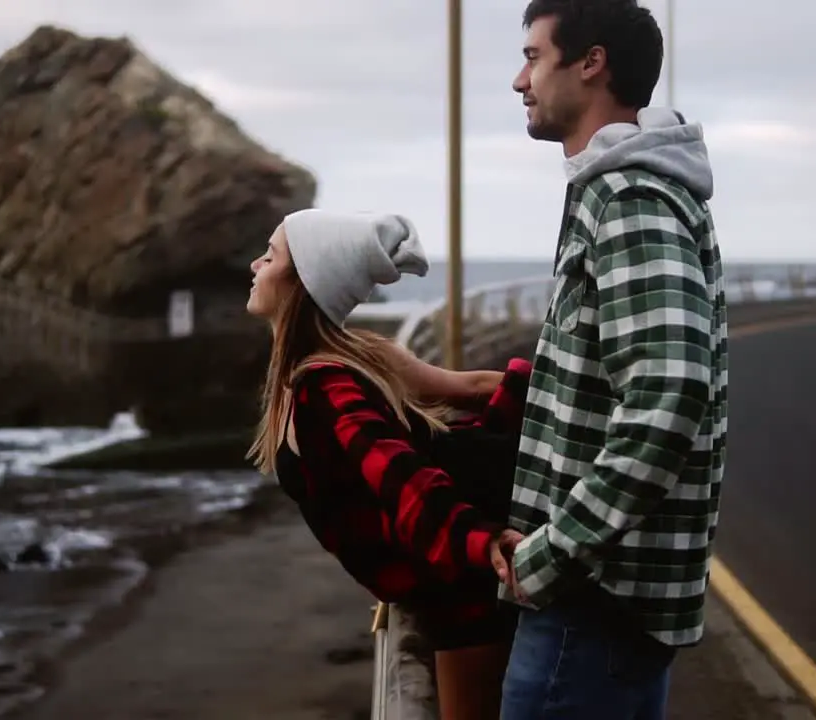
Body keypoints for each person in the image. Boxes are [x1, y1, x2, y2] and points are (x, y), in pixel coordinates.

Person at [496, 1, 729, 718]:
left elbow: (668, 397)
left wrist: (547, 554)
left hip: (592, 603)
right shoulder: (626, 189)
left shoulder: (629, 196)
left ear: (590, 62)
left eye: (533, 55)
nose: (517, 79)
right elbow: (601, 381)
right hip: (603, 605)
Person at [244, 207, 529, 720]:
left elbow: (400, 476)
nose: (255, 264)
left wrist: (478, 538)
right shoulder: (339, 362)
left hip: (463, 584)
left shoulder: (325, 387)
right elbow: (471, 390)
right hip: (448, 573)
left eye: (270, 255)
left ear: (305, 281)